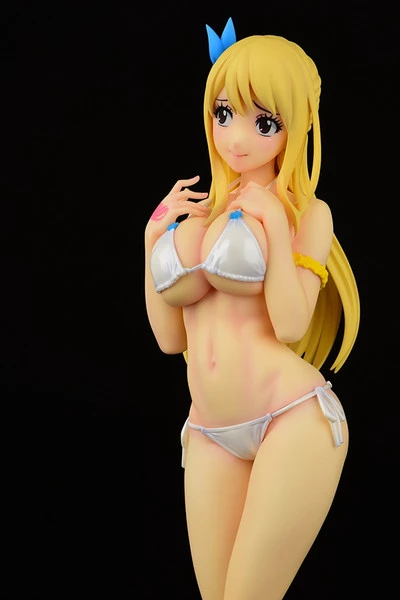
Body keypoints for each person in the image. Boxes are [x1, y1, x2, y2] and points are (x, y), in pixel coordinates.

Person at [144, 17, 360, 600]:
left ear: (297, 124)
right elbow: (170, 340)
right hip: (209, 428)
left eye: (264, 122)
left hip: (291, 416)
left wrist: (272, 226)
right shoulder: (202, 213)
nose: (236, 137)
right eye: (223, 114)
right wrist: (152, 242)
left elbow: (290, 324)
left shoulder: (308, 213)